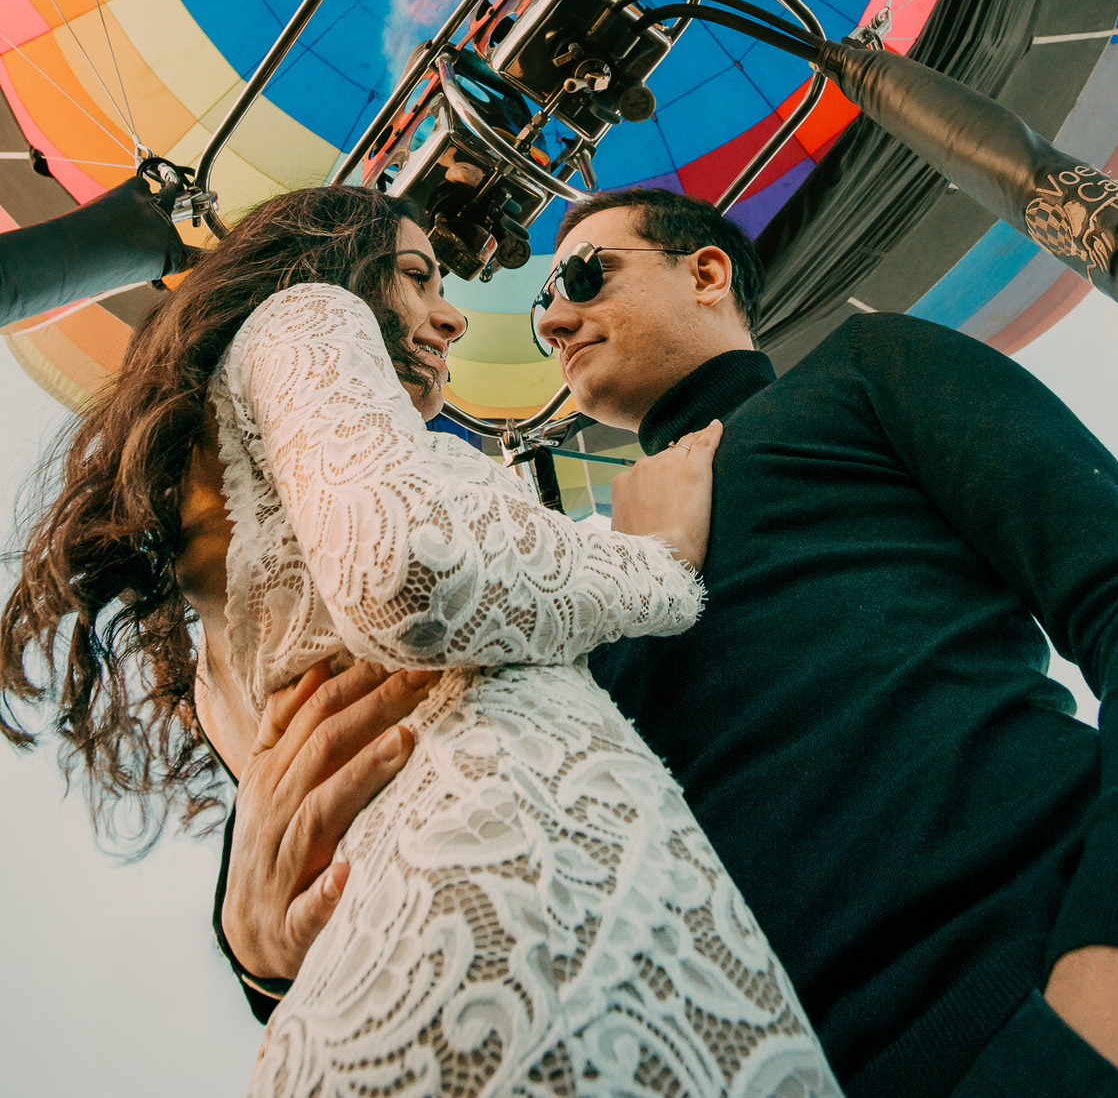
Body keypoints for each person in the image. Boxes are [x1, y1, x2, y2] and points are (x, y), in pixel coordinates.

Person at [217, 187, 1118, 1098]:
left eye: (582, 276)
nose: (553, 319)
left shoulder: (868, 370)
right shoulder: (586, 574)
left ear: (706, 272)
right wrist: (268, 961)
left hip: (1066, 997)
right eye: (540, 307)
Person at [0, 185, 841, 1098]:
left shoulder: (218, 615)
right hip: (533, 935)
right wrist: (661, 564)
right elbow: (407, 570)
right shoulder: (310, 311)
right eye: (415, 276)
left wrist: (257, 959)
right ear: (328, 263)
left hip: (406, 974)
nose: (450, 317)